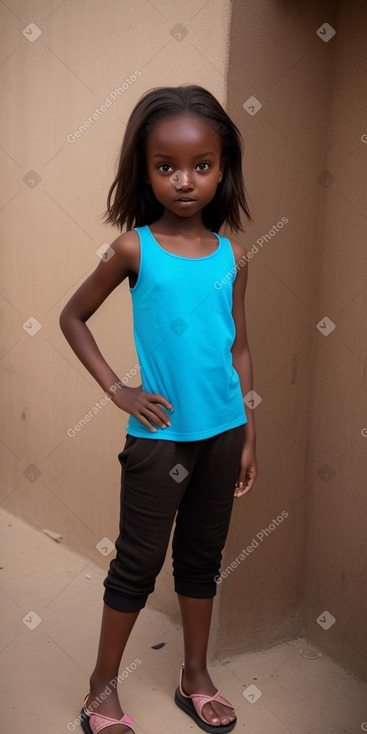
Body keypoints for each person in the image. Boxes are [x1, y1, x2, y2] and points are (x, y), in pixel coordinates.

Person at [60, 84, 258, 734]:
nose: (184, 180)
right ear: (143, 170)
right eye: (165, 166)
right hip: (161, 437)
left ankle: (193, 675)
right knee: (138, 564)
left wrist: (248, 434)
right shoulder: (133, 250)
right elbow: (73, 316)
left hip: (223, 433)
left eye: (201, 165)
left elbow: (238, 348)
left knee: (202, 558)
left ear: (222, 167)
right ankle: (101, 688)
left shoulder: (232, 257)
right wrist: (117, 390)